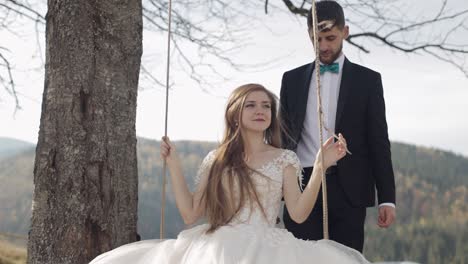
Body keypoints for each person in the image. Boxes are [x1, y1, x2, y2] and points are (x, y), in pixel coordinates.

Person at [90, 83, 370, 263]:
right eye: (251, 104)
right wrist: (174, 164)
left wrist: (320, 166)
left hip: (270, 248)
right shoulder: (217, 159)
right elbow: (190, 214)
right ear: (235, 113)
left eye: (266, 106)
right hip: (218, 247)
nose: (260, 110)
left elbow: (297, 214)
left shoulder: (285, 158)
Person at [280, 0, 396, 253]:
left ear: (345, 31)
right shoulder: (291, 80)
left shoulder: (369, 81)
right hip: (301, 187)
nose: (323, 46)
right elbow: (283, 140)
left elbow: (378, 141)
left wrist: (387, 197)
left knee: (346, 259)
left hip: (350, 189)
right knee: (299, 258)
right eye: (316, 39)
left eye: (330, 38)